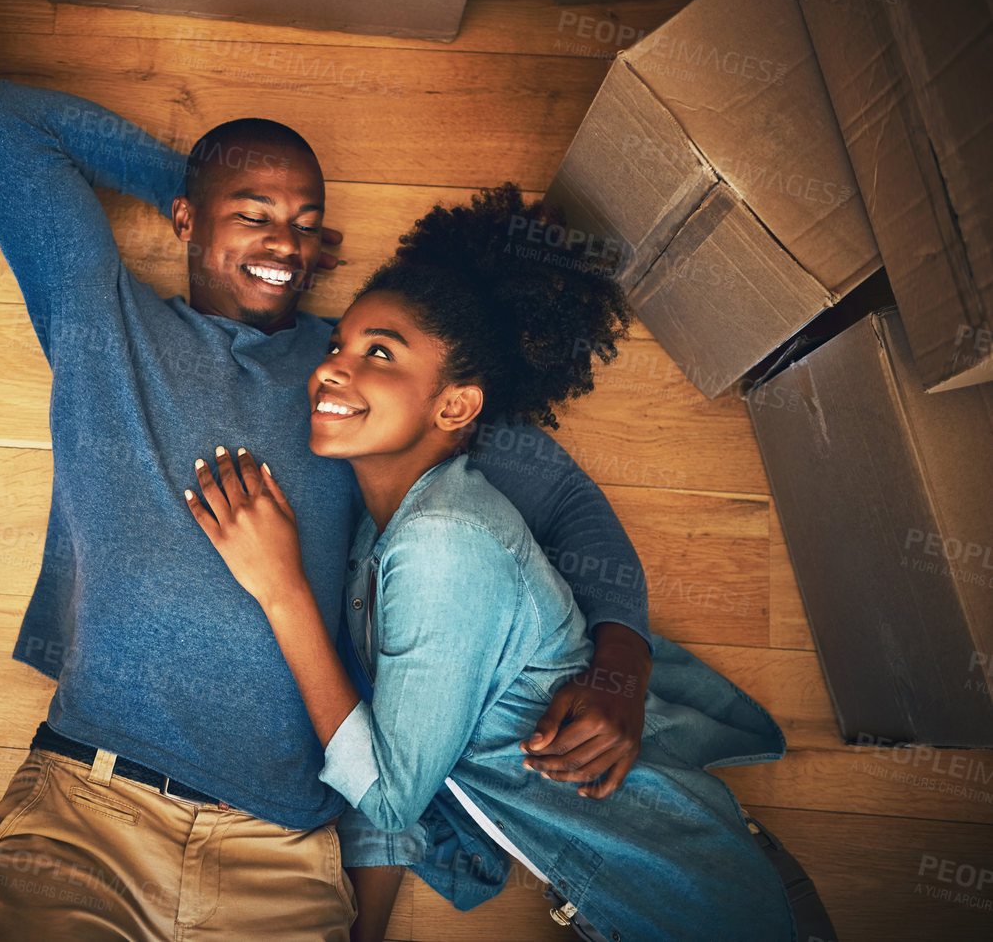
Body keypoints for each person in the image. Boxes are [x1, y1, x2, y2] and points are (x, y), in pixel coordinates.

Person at [0, 80, 657, 940]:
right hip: (91, 807)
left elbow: (566, 501)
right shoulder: (100, 322)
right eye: (254, 214)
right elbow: (11, 121)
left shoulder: (362, 386)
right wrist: (202, 184)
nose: (283, 243)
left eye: (303, 220)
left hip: (281, 848)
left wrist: (620, 664)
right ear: (185, 218)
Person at [184, 186, 801, 941]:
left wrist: (618, 664)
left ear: (457, 403)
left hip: (682, 895)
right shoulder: (380, 529)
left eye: (377, 350)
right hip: (629, 878)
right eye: (337, 345)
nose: (332, 368)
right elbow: (396, 744)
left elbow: (581, 521)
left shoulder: (457, 510)